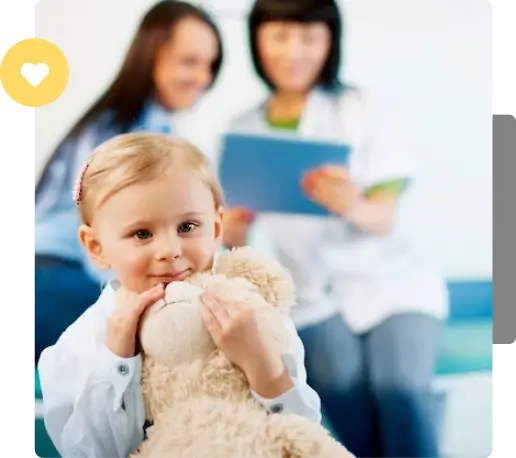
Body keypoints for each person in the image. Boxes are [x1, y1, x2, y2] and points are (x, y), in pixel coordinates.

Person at [222, 1, 449, 457]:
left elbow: (383, 218)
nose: (294, 51)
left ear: (330, 42)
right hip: (311, 297)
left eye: (310, 37)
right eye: (281, 35)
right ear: (258, 40)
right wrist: (233, 224)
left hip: (393, 284)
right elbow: (232, 243)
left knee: (399, 387)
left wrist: (350, 203)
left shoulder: (357, 108)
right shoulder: (243, 129)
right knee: (339, 390)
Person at [38, 133, 322, 458]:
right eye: (141, 234)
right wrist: (117, 356)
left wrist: (262, 364)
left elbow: (305, 438)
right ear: (96, 247)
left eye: (187, 227)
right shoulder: (80, 347)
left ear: (216, 229)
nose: (171, 251)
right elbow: (93, 453)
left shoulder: (253, 316)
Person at [33, 0, 224, 362]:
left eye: (210, 65)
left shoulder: (147, 128)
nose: (203, 78)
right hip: (57, 278)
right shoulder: (126, 140)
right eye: (189, 62)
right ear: (152, 56)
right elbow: (108, 247)